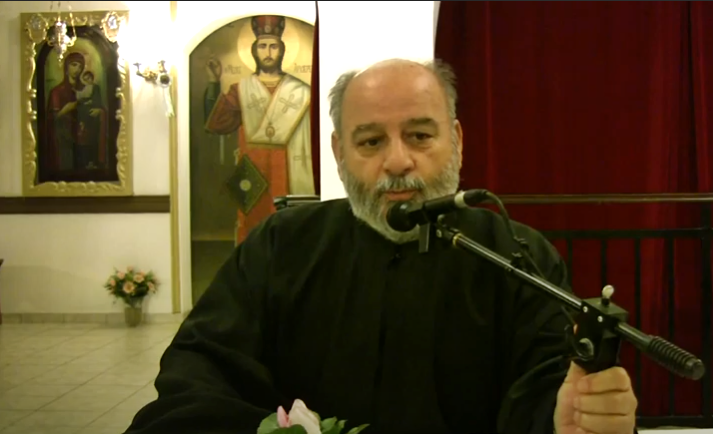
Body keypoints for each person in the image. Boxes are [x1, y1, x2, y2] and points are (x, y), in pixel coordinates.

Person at [124, 59, 638, 434]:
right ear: (338, 151)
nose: (397, 161)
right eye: (371, 141)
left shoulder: (518, 253)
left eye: (420, 136)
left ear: (457, 141)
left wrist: (566, 418)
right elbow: (198, 375)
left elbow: (547, 383)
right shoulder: (281, 246)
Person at [203, 15, 316, 245]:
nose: (268, 52)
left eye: (274, 46)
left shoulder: (302, 92)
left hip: (289, 169)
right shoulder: (241, 89)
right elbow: (217, 123)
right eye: (263, 46)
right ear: (254, 51)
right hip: (253, 173)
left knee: (289, 227)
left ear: (282, 51)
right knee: (254, 227)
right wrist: (214, 83)